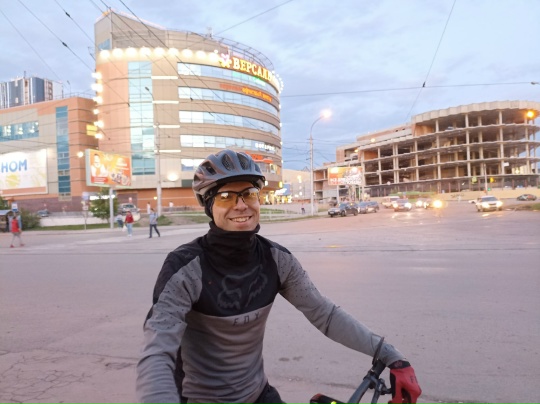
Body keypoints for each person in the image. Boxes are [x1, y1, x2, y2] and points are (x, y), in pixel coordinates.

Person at [136, 150, 421, 404]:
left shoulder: (276, 259)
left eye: (249, 194)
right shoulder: (185, 267)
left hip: (257, 394)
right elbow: (157, 351)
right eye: (226, 196)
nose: (241, 205)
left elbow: (325, 314)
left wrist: (390, 354)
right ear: (209, 205)